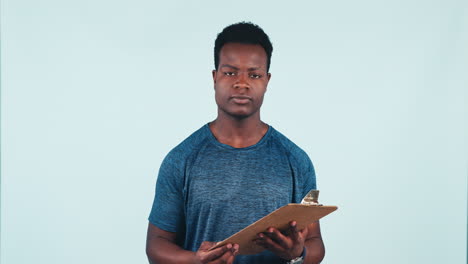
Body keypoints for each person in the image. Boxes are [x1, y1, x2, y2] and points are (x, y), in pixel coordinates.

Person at [146, 22, 325, 264]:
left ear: (267, 80)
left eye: (254, 74)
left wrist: (298, 254)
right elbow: (156, 245)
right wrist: (196, 261)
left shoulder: (295, 160)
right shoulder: (182, 159)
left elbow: (315, 244)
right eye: (230, 73)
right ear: (215, 77)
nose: (242, 83)